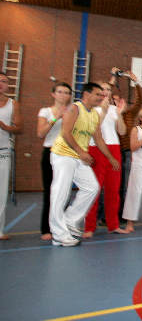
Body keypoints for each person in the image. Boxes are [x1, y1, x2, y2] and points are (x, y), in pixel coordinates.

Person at [49, 83, 119, 246]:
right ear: (86, 95)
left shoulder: (94, 114)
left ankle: (70, 220)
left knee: (92, 187)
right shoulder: (74, 108)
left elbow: (99, 139)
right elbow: (66, 133)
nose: (101, 97)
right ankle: (58, 234)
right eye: (98, 94)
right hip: (63, 155)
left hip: (78, 157)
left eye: (102, 95)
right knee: (60, 193)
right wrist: (81, 152)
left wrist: (110, 157)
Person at [83, 79, 128, 237]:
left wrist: (120, 115)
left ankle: (113, 224)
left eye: (108, 89)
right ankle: (89, 226)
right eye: (102, 89)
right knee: (94, 189)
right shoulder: (90, 108)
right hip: (96, 148)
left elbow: (122, 132)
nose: (106, 92)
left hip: (114, 148)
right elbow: (93, 128)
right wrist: (102, 110)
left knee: (113, 190)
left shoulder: (114, 109)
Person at [37, 82, 71, 241]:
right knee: (50, 192)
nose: (64, 95)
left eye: (67, 92)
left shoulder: (73, 111)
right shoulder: (45, 111)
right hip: (50, 152)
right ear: (53, 94)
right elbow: (40, 133)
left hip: (67, 154)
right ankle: (46, 228)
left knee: (65, 192)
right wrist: (56, 117)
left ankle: (62, 226)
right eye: (60, 92)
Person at [112, 69, 142, 222]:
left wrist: (135, 82)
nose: (119, 103)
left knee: (126, 185)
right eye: (115, 101)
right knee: (113, 185)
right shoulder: (109, 116)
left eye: (120, 100)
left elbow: (139, 101)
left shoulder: (130, 114)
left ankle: (123, 214)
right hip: (113, 152)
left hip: (128, 152)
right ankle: (108, 214)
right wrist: (113, 78)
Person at [0, 72, 23, 240]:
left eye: (4, 81)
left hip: (3, 151)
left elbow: (19, 128)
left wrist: (5, 127)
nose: (1, 84)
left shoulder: (13, 104)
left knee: (1, 194)